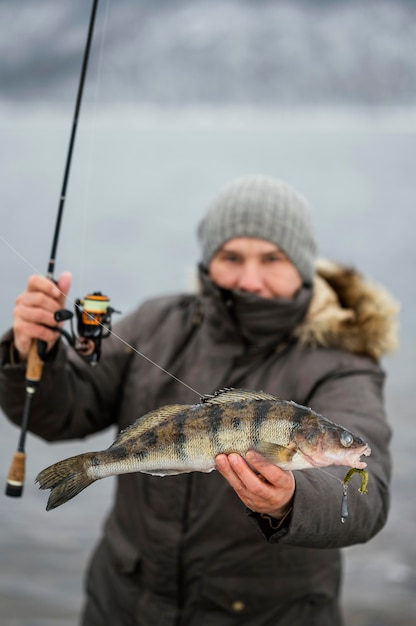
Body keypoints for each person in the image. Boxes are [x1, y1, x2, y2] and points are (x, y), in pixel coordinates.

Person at [0, 175, 399, 626]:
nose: (250, 278)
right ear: (208, 261)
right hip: (123, 606)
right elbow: (60, 414)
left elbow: (367, 495)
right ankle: (89, 466)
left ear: (303, 265)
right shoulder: (155, 323)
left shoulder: (344, 361)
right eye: (231, 257)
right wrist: (32, 353)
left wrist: (292, 499)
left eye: (272, 258)